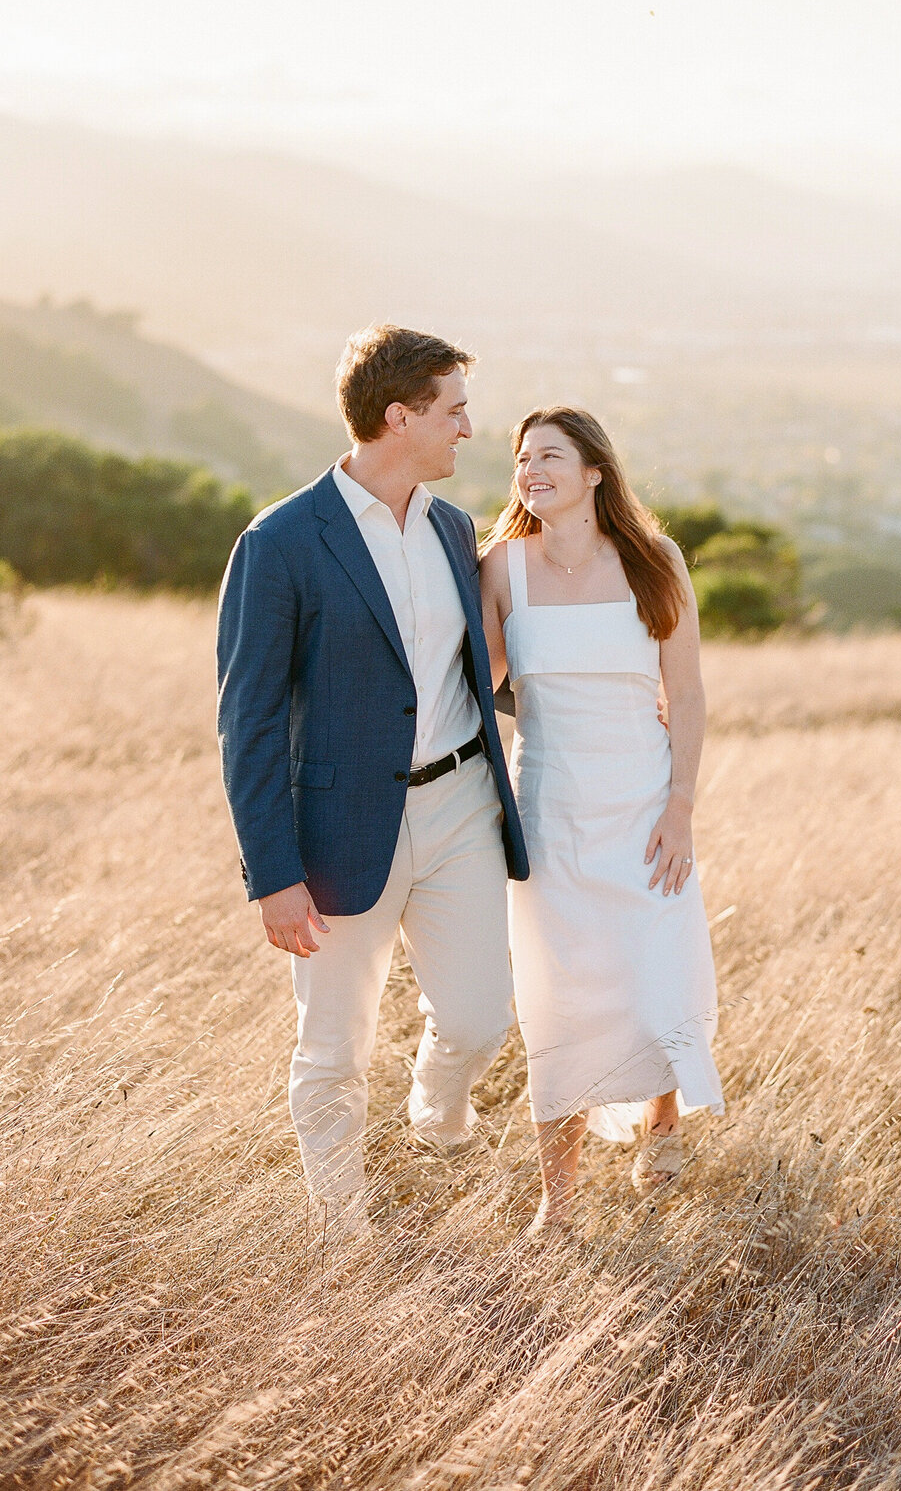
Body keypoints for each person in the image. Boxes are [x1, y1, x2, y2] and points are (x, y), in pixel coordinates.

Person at [216, 325, 528, 1234]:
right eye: (454, 411)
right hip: (342, 827)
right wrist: (272, 875)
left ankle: (436, 1119)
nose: (468, 429)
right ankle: (341, 1230)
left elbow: (473, 671)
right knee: (335, 1045)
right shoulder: (280, 542)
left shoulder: (452, 527)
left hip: (463, 803)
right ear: (400, 417)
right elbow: (250, 722)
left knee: (478, 1021)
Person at [480, 407, 724, 1233]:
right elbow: (474, 687)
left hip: (645, 805)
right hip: (548, 808)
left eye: (550, 454)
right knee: (559, 995)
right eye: (521, 460)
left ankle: (661, 1132)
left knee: (656, 971)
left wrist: (681, 807)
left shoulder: (657, 564)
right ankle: (560, 1201)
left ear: (594, 472)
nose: (530, 469)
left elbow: (685, 695)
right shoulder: (501, 570)